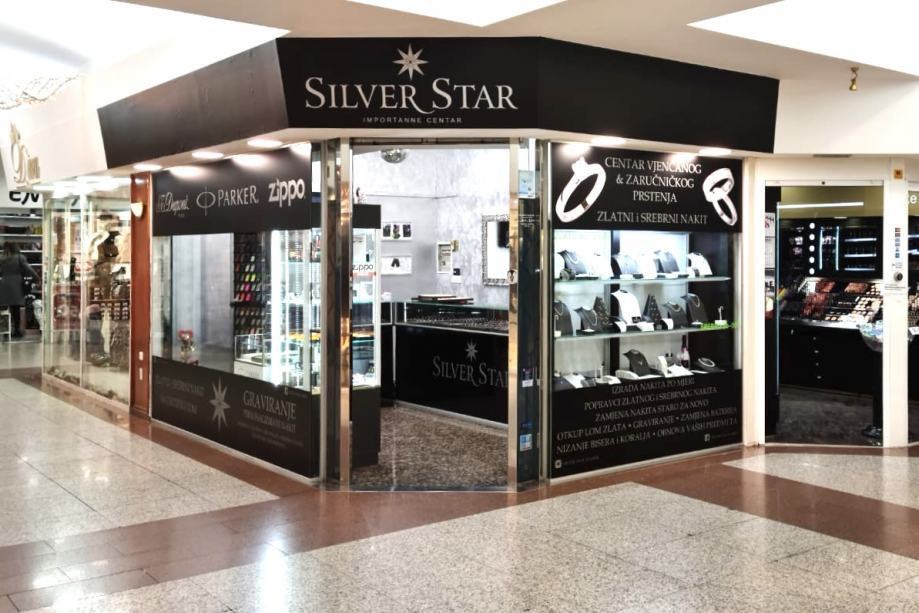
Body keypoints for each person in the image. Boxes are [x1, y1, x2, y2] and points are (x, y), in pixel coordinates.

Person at [0, 243, 37, 339]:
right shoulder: (20, 258)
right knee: (15, 309)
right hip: (16, 285)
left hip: (4, 284)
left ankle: (6, 330)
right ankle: (16, 331)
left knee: (5, 309)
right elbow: (29, 270)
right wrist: (36, 277)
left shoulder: (2, 259)